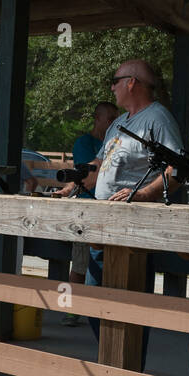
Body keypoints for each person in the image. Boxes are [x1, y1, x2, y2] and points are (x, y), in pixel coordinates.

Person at [78, 59, 182, 340]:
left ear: (131, 82)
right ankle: (112, 372)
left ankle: (126, 375)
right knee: (93, 301)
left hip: (130, 233)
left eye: (115, 81)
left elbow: (178, 169)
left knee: (128, 313)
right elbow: (99, 165)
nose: (111, 87)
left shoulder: (158, 118)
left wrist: (144, 194)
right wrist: (71, 184)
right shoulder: (120, 123)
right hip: (103, 229)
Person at [57, 102, 118, 325]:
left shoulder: (113, 143)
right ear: (97, 118)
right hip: (86, 210)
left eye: (115, 118)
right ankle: (70, 309)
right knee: (81, 264)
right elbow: (88, 177)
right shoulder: (85, 143)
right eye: (109, 118)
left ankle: (97, 308)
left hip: (107, 210)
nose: (113, 123)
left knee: (102, 264)